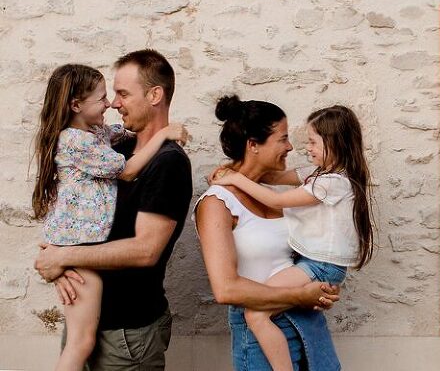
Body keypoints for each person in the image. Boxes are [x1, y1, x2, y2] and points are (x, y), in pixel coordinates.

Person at [35, 49, 193, 370]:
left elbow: (145, 250)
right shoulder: (110, 146)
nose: (114, 104)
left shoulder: (168, 162)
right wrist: (56, 260)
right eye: (110, 95)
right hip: (88, 318)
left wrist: (63, 257)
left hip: (127, 336)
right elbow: (73, 209)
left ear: (154, 95)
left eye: (122, 94)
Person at [212, 105, 374, 371]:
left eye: (312, 142)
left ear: (333, 144)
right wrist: (231, 171)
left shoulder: (332, 182)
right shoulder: (319, 174)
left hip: (319, 266)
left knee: (255, 313)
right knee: (258, 313)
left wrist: (234, 180)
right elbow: (272, 175)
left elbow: (276, 198)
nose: (304, 148)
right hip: (315, 264)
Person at [194, 95, 342, 371]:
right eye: (283, 138)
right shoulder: (217, 203)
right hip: (260, 333)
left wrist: (321, 288)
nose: (290, 146)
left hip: (309, 326)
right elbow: (226, 289)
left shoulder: (275, 195)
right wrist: (300, 295)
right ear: (253, 145)